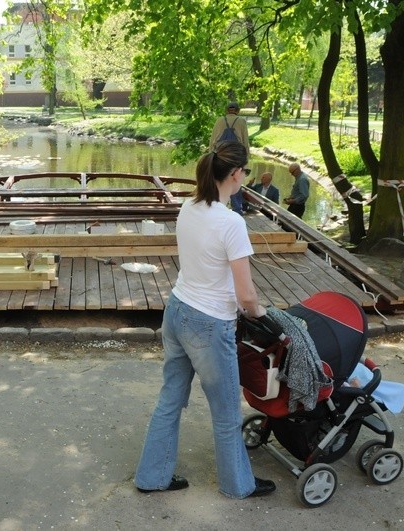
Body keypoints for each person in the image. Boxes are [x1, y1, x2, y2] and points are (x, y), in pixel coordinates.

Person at [134, 140, 276, 499]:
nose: (245, 176)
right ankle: (238, 485)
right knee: (227, 412)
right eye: (244, 171)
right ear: (235, 174)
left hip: (177, 309)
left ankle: (152, 477)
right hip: (209, 324)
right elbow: (246, 296)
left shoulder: (189, 206)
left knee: (170, 399)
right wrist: (263, 316)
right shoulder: (231, 224)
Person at [210, 102, 250, 214]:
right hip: (236, 156)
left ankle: (216, 206)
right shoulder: (241, 121)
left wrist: (211, 155)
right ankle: (237, 209)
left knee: (219, 179)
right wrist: (246, 158)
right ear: (238, 110)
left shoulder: (219, 120)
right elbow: (245, 140)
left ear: (226, 110)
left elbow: (213, 139)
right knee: (235, 179)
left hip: (221, 154)